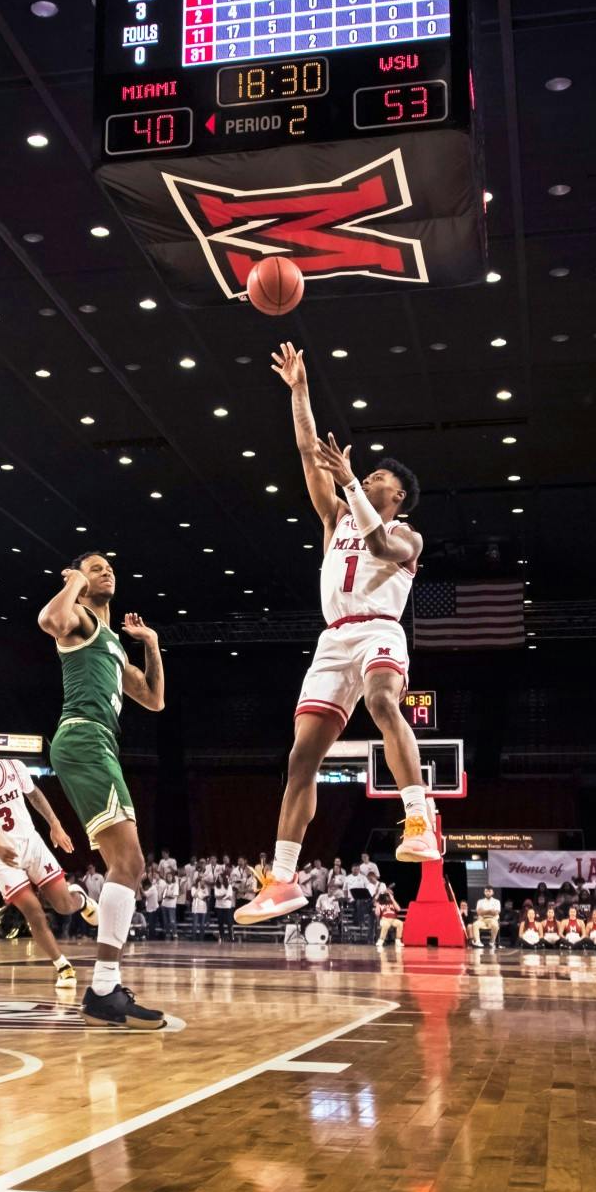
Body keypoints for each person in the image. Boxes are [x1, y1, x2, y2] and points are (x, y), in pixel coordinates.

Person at [238, 343, 435, 929]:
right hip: (332, 639)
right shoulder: (335, 517)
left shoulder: (408, 537)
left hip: (380, 630)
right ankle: (283, 880)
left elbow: (379, 546)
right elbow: (306, 450)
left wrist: (352, 482)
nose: (365, 477)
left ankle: (418, 818)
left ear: (394, 496)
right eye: (364, 474)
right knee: (301, 759)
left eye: (376, 477)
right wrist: (299, 391)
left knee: (380, 699)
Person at [37, 550, 168, 1028]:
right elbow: (50, 618)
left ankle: (106, 988)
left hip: (100, 743)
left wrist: (151, 644)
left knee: (129, 865)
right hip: (83, 737)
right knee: (129, 863)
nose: (107, 570)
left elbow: (153, 699)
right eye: (96, 568)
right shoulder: (79, 617)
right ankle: (104, 988)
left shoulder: (111, 641)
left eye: (110, 567)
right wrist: (72, 580)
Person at [0, 717, 96, 987]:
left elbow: (35, 796)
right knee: (34, 912)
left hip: (32, 844)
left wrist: (55, 825)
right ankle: (62, 966)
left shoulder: (14, 768)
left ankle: (82, 901)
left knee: (64, 906)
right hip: (1, 859)